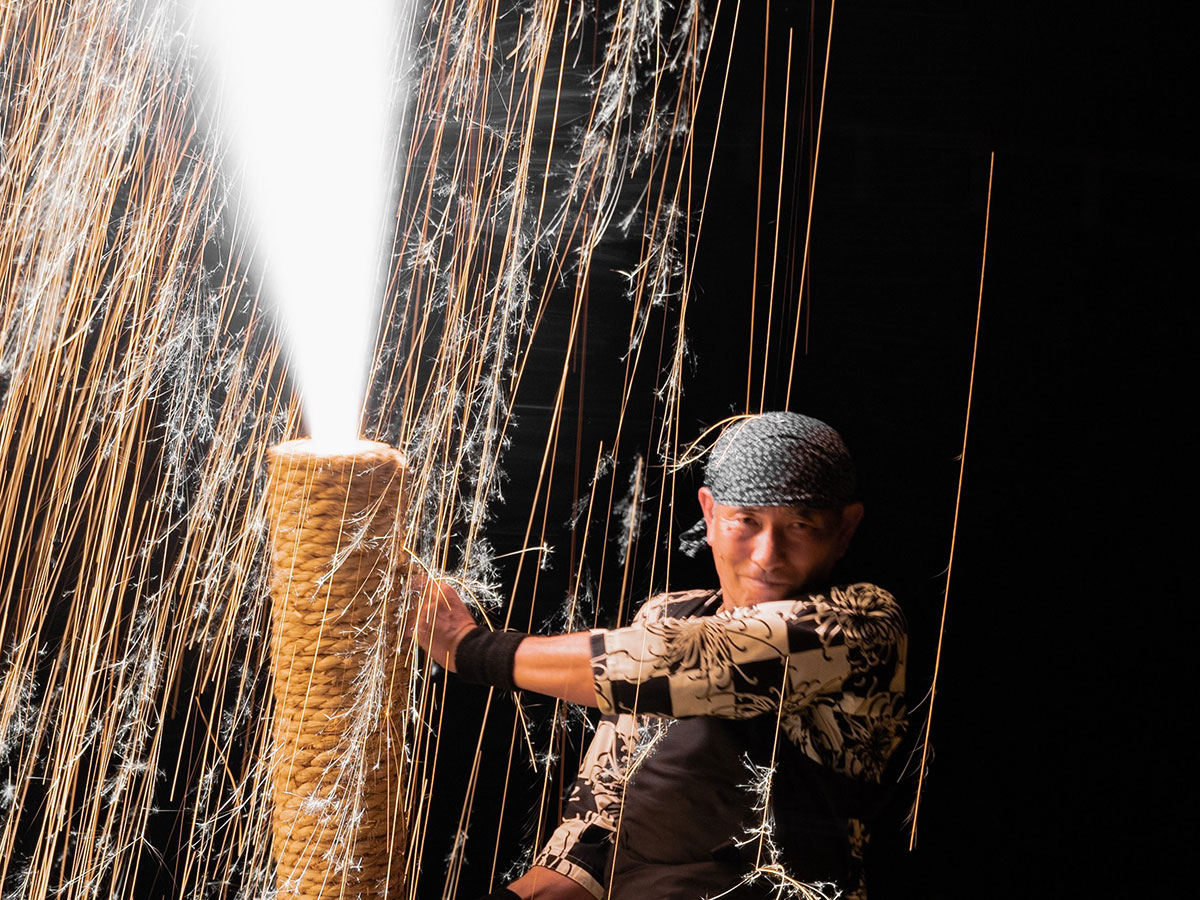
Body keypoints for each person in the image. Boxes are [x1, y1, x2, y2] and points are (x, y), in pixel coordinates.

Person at [416, 412, 907, 900]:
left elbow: (685, 661)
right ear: (710, 514)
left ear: (845, 529)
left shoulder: (861, 627)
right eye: (747, 521)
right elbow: (597, 824)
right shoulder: (665, 614)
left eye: (800, 525)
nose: (766, 554)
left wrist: (470, 649)